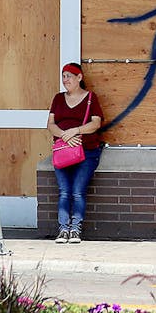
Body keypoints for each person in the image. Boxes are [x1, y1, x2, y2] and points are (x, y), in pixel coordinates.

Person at [47, 62, 104, 244]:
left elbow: (96, 123)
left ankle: (75, 230)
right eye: (63, 76)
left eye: (69, 76)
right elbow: (50, 125)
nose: (65, 80)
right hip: (63, 152)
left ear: (79, 77)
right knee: (64, 192)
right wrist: (65, 135)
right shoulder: (58, 99)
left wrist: (76, 130)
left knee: (78, 192)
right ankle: (63, 229)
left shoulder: (90, 98)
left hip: (86, 152)